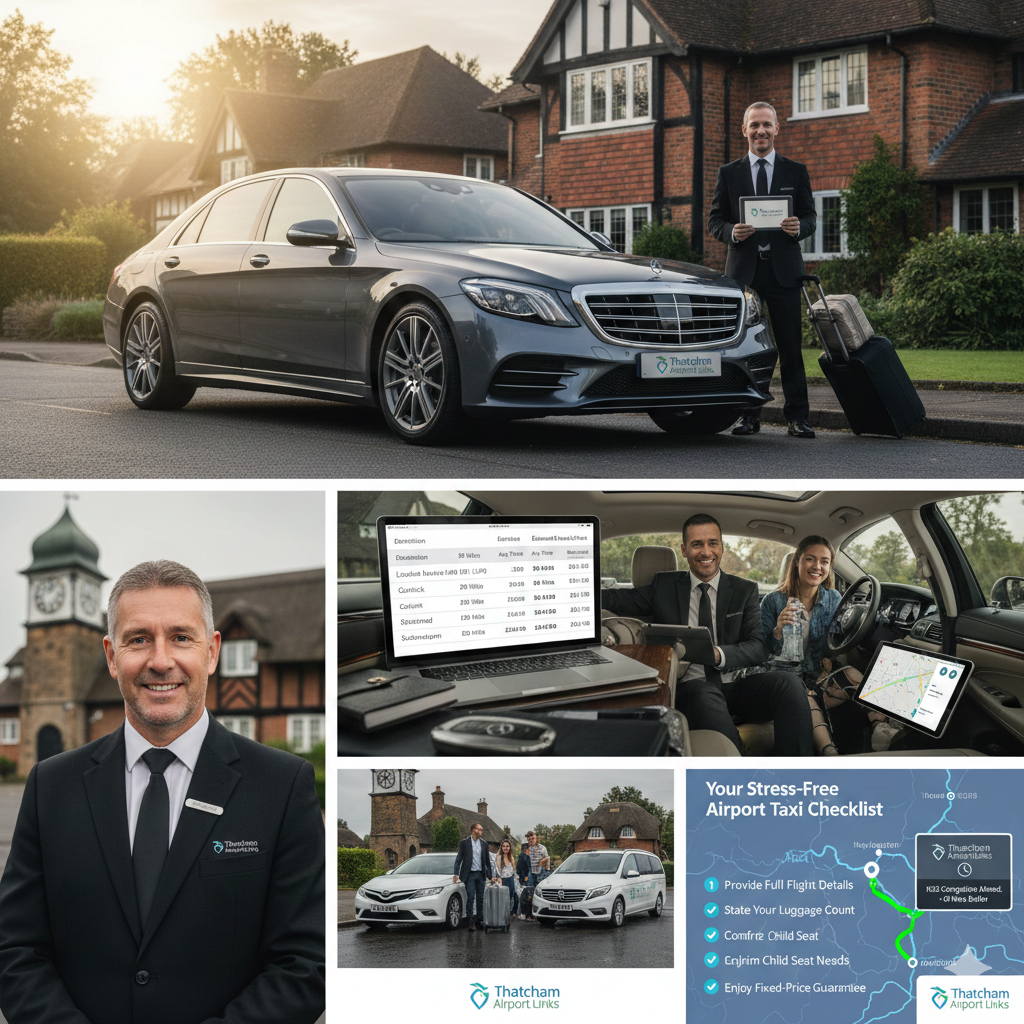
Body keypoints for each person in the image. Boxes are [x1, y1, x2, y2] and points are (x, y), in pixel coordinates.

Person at [0, 560, 325, 1024]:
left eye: (180, 636)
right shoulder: (50, 786)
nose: (159, 660)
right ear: (112, 657)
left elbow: (305, 961)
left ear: (212, 652)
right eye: (138, 639)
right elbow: (15, 948)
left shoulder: (282, 785)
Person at [601, 513, 813, 755]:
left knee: (790, 684)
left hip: (736, 685)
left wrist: (717, 654)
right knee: (702, 692)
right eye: (697, 544)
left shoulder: (745, 590)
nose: (706, 552)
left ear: (721, 547)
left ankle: (797, 772)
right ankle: (743, 777)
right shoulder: (663, 587)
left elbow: (757, 647)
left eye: (713, 543)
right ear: (683, 550)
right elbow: (612, 598)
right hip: (691, 688)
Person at [708, 100, 817, 439]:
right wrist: (731, 233)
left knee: (790, 347)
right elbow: (715, 220)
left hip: (784, 273)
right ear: (745, 130)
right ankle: (747, 416)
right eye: (754, 125)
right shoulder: (729, 173)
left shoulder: (795, 171)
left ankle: (798, 417)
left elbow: (811, 217)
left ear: (776, 129)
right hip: (745, 276)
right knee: (746, 348)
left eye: (766, 125)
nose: (760, 131)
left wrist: (799, 227)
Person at [761, 536, 887, 754]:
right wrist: (778, 630)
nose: (817, 566)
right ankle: (829, 752)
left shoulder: (833, 598)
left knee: (854, 675)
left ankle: (882, 730)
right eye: (810, 559)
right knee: (802, 695)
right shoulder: (772, 601)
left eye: (824, 561)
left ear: (830, 566)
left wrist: (830, 661)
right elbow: (760, 652)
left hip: (818, 676)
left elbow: (836, 641)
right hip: (785, 683)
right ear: (797, 562)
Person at [453, 823, 498, 931]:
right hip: (470, 875)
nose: (481, 831)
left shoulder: (484, 844)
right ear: (473, 830)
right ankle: (470, 922)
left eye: (482, 830)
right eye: (479, 829)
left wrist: (490, 876)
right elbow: (459, 859)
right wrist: (456, 873)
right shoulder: (464, 843)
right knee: (471, 898)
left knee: (480, 898)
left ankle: (479, 921)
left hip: (480, 874)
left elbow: (487, 861)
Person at [494, 839, 519, 919]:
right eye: (504, 846)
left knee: (512, 897)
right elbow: (497, 871)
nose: (505, 848)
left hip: (511, 879)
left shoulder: (511, 857)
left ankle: (510, 913)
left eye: (507, 846)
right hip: (503, 880)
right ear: (501, 847)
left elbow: (514, 871)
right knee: (503, 898)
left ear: (510, 848)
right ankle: (503, 914)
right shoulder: (499, 857)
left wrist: (517, 879)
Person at [516, 841, 532, 920]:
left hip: (524, 878)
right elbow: (521, 868)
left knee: (524, 896)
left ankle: (522, 913)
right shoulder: (524, 856)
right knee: (525, 896)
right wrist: (524, 877)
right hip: (525, 879)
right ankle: (524, 914)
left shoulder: (523, 856)